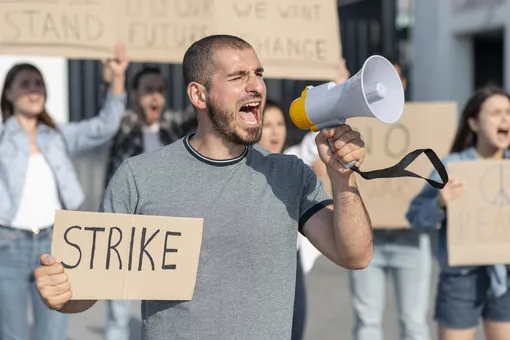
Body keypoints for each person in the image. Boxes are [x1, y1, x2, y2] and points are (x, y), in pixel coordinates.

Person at [33, 34, 373, 340]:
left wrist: (344, 179)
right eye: (239, 77)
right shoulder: (140, 176)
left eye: (258, 74)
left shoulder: (290, 174)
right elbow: (88, 287)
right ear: (199, 94)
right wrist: (62, 292)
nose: (256, 86)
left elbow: (355, 255)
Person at [0, 43, 128, 340]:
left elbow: (105, 127)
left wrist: (117, 77)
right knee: (12, 333)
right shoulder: (3, 138)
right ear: (9, 93)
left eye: (39, 84)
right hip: (8, 244)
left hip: (53, 242)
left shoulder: (57, 135)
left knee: (54, 332)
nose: (34, 90)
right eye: (26, 84)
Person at [406, 86, 510, 340]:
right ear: (473, 122)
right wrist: (440, 203)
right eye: (496, 113)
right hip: (460, 280)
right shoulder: (452, 167)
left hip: (506, 277)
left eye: (509, 112)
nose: (505, 119)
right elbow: (416, 217)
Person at [104, 65, 197, 340]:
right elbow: (107, 112)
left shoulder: (175, 126)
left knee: (166, 312)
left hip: (166, 236)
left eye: (160, 90)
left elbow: (208, 104)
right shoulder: (121, 126)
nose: (155, 97)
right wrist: (114, 77)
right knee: (119, 315)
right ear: (135, 95)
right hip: (124, 232)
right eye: (148, 90)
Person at [346, 58, 433, 340]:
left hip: (411, 239)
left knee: (414, 323)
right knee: (367, 322)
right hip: (368, 238)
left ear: (404, 84)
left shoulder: (425, 126)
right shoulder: (354, 125)